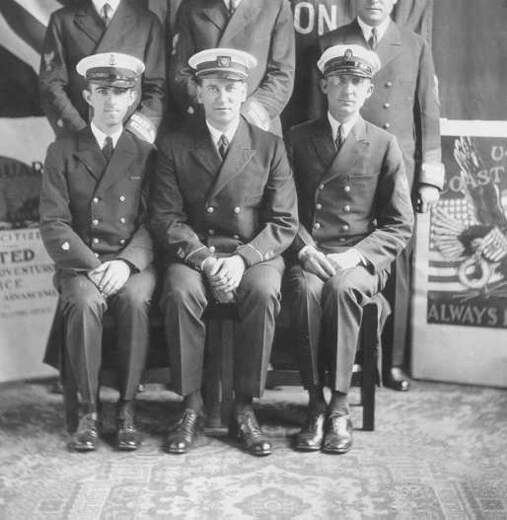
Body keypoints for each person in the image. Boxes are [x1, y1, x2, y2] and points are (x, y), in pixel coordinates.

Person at [151, 47, 298, 456]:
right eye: (212, 87)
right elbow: (165, 219)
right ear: (197, 92)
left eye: (231, 87)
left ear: (245, 90)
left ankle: (244, 406)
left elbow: (284, 221)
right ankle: (191, 405)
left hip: (251, 253)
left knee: (265, 291)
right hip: (195, 253)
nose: (223, 97)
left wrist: (243, 259)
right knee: (180, 292)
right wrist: (205, 259)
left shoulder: (269, 146)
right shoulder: (174, 145)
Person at [317, 0, 444, 391]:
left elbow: (427, 112)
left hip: (397, 170)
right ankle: (332, 359)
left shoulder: (414, 45)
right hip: (341, 172)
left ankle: (389, 361)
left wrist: (428, 177)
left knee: (395, 267)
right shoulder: (329, 42)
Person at [285, 44, 414, 454]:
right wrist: (305, 250)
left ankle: (339, 406)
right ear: (324, 85)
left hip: (360, 255)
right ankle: (315, 403)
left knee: (343, 289)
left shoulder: (382, 143)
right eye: (339, 80)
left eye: (357, 81)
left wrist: (355, 256)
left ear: (369, 89)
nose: (348, 89)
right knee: (305, 291)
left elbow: (399, 223)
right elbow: (282, 212)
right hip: (310, 251)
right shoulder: (298, 139)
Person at [39, 53, 156, 452]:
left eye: (121, 92)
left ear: (132, 98)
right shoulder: (62, 151)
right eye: (103, 91)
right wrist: (93, 265)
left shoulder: (144, 152)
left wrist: (126, 263)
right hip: (81, 264)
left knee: (137, 299)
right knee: (86, 303)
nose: (111, 101)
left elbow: (154, 221)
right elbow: (54, 222)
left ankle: (126, 408)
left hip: (130, 263)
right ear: (88, 96)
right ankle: (89, 411)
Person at [39, 0, 166, 145]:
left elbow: (157, 87)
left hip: (131, 143)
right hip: (80, 138)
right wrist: (81, 133)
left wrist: (134, 134)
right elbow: (52, 85)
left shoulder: (147, 23)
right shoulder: (63, 21)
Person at [168, 0, 295, 135]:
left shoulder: (275, 7)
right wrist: (213, 113)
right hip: (205, 124)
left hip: (257, 127)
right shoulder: (191, 8)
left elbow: (282, 75)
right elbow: (181, 72)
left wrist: (247, 115)